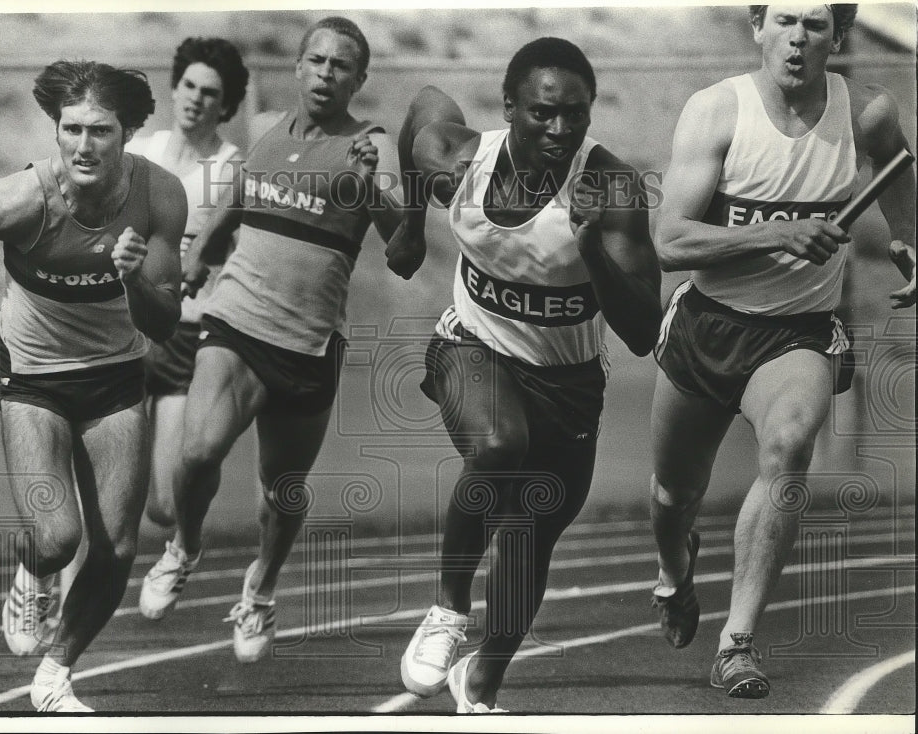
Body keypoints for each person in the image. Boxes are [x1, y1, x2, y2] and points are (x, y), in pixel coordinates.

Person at [648, 4, 915, 699]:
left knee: (791, 445)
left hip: (799, 330)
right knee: (672, 494)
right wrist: (778, 234)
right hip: (708, 323)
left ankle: (737, 641)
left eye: (817, 25)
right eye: (786, 21)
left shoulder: (866, 113)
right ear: (758, 26)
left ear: (840, 34)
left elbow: (897, 169)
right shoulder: (717, 112)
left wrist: (907, 240)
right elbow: (670, 241)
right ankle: (674, 573)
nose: (799, 39)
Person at [388, 38, 662, 713]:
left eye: (575, 115)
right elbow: (422, 108)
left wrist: (592, 248)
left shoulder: (612, 188)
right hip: (470, 347)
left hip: (567, 383)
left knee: (530, 537)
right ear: (509, 108)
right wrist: (410, 225)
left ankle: (479, 684)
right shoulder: (460, 161)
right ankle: (447, 612)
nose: (560, 130)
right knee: (498, 447)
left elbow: (642, 331)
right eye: (543, 114)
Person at [0, 60, 186, 712]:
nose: (84, 145)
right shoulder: (26, 199)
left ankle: (56, 674)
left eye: (100, 130)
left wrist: (134, 278)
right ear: (56, 130)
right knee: (59, 536)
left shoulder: (159, 197)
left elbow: (165, 320)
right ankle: (35, 572)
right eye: (71, 129)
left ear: (128, 135)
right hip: (33, 377)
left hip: (116, 377)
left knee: (119, 546)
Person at [137, 16, 402, 663]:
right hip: (234, 320)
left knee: (279, 495)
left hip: (307, 343)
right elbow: (233, 206)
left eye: (341, 65)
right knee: (197, 452)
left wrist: (379, 192)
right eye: (316, 60)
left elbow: (405, 247)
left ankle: (260, 587)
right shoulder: (261, 132)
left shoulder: (373, 145)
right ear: (298, 67)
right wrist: (198, 258)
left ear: (358, 79)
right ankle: (184, 548)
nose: (325, 73)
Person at [126, 37, 248, 529]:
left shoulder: (233, 168)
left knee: (165, 506)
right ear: (174, 89)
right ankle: (51, 592)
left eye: (209, 92)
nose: (196, 98)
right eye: (189, 85)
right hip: (126, 330)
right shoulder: (137, 152)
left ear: (225, 105)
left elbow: (247, 256)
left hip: (186, 336)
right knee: (102, 478)